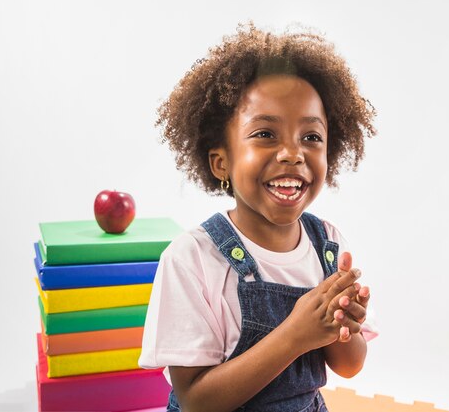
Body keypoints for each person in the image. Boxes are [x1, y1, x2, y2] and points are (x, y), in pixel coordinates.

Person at [139, 23, 378, 412]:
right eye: (266, 133)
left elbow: (348, 367)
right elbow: (196, 401)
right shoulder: (193, 259)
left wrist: (345, 326)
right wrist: (294, 336)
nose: (292, 153)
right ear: (221, 162)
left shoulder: (328, 247)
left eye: (311, 137)